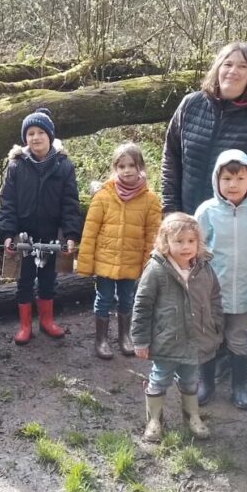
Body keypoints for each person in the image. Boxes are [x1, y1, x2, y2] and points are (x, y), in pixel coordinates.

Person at [131, 212, 222, 442]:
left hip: (196, 339)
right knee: (160, 378)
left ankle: (192, 416)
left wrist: (215, 327)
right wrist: (140, 340)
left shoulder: (205, 268)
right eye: (179, 241)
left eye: (191, 241)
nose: (186, 247)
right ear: (165, 242)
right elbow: (142, 305)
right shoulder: (156, 269)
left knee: (191, 379)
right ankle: (154, 420)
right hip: (166, 339)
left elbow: (215, 298)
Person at [193, 149, 247, 410]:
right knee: (208, 338)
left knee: (238, 338)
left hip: (244, 292)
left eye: (239, 178)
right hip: (212, 293)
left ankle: (240, 386)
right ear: (217, 180)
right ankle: (206, 383)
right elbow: (195, 253)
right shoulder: (207, 211)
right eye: (227, 178)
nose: (233, 184)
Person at [161, 41, 247, 214]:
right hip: (186, 220)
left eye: (242, 66)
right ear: (218, 68)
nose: (233, 71)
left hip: (231, 224)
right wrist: (171, 211)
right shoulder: (190, 105)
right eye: (228, 64)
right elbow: (171, 160)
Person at [0, 108, 82, 345]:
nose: (35, 138)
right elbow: (7, 202)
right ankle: (25, 325)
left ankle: (47, 320)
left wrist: (70, 234)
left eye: (40, 132)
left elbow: (70, 203)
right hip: (24, 234)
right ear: (25, 138)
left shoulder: (64, 166)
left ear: (50, 135)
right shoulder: (16, 165)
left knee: (48, 279)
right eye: (30, 133)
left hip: (51, 233)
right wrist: (8, 233)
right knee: (24, 279)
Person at [76, 142, 162, 359]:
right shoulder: (103, 196)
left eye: (131, 165)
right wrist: (86, 264)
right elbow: (90, 231)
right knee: (103, 298)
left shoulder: (150, 200)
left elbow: (153, 235)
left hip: (131, 261)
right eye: (121, 166)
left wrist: (148, 265)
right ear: (115, 168)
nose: (126, 170)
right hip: (105, 260)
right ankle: (101, 339)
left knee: (127, 299)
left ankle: (125, 336)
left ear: (140, 166)